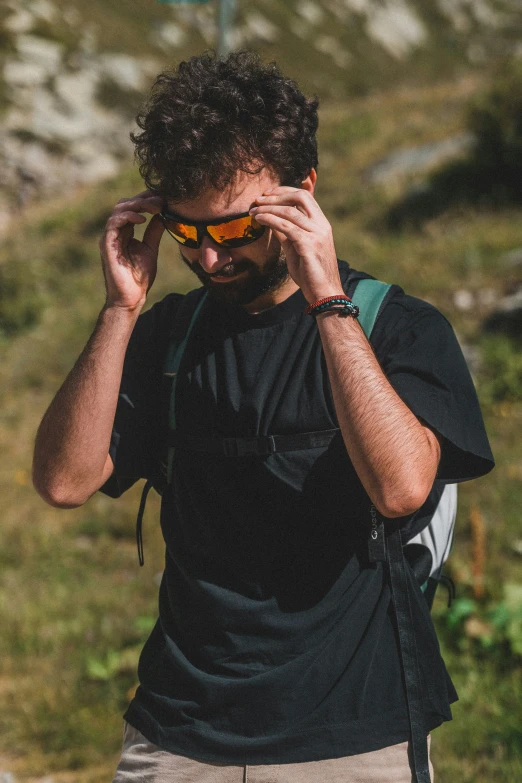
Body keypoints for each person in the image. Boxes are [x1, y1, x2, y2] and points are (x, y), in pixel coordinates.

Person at [32, 50, 495, 783]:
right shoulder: (168, 335)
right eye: (188, 234)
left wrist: (329, 303)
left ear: (302, 192)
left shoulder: (397, 328)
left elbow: (403, 487)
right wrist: (121, 310)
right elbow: (63, 479)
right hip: (180, 729)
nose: (211, 260)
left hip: (352, 735)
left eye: (235, 230)